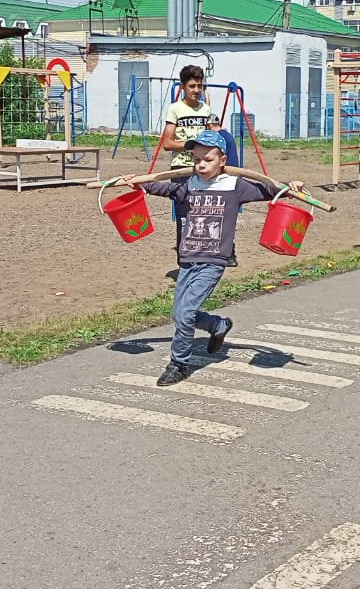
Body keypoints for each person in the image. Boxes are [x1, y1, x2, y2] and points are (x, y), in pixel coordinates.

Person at [120, 130, 304, 386]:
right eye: (196, 160)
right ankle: (217, 325)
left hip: (214, 260)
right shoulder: (188, 185)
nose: (201, 165)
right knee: (179, 314)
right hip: (187, 258)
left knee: (185, 314)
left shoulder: (235, 187)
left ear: (222, 160)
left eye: (207, 159)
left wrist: (289, 187)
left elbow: (269, 190)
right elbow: (162, 186)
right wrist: (139, 182)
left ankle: (179, 364)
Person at [159, 65, 213, 265]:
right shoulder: (175, 109)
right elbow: (167, 143)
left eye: (199, 86)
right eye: (192, 86)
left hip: (203, 170)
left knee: (204, 214)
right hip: (181, 168)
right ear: (183, 86)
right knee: (184, 216)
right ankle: (184, 261)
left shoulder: (205, 109)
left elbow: (210, 136)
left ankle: (203, 258)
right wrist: (190, 147)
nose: (196, 90)